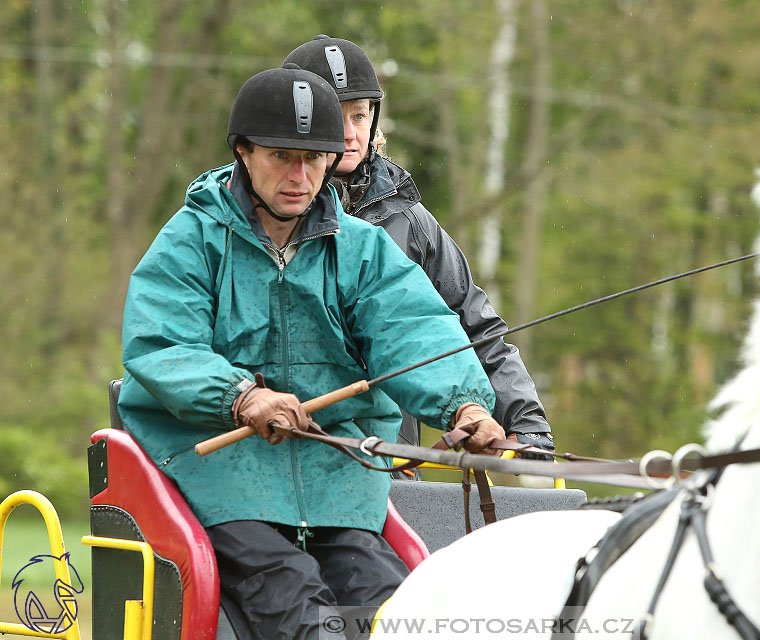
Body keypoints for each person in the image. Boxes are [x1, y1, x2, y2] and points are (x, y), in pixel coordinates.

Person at [117, 64, 504, 639]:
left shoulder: (363, 249)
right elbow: (161, 344)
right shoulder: (189, 240)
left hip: (337, 481)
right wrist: (243, 396)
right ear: (243, 152)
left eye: (315, 159)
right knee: (309, 617)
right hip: (224, 478)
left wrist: (463, 406)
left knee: (399, 620)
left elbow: (414, 329)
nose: (300, 176)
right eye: (281, 156)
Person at [284, 36, 555, 469]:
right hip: (286, 451)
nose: (351, 134)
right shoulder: (266, 215)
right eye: (335, 118)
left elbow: (470, 323)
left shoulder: (411, 223)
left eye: (360, 115)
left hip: (390, 463)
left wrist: (525, 423)